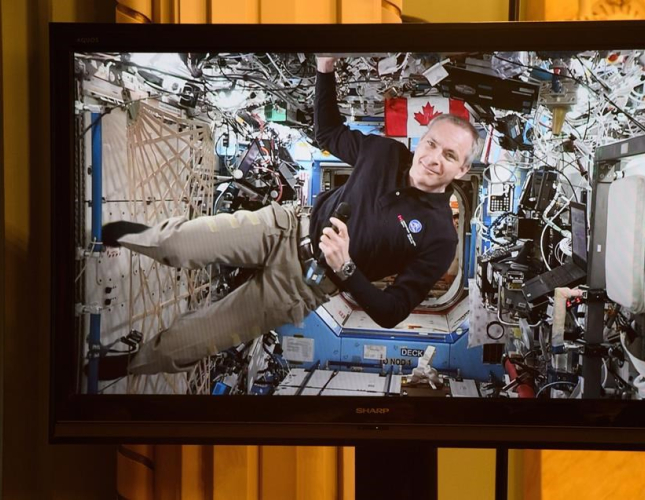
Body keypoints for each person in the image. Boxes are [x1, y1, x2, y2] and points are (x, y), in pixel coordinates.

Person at [94, 55, 483, 380]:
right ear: (422, 140)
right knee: (177, 244)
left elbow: (392, 311)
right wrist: (324, 69)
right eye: (432, 144)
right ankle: (122, 235)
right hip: (282, 228)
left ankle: (131, 363)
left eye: (450, 156)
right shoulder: (382, 152)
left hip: (301, 286)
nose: (433, 159)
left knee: (195, 339)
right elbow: (329, 132)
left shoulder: (440, 237)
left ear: (463, 170)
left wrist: (346, 269)